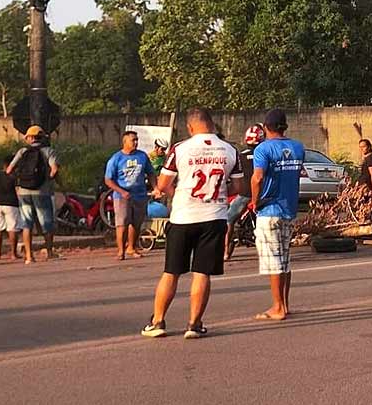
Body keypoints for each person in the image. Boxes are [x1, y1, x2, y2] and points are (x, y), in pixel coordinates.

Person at [141, 108, 243, 339]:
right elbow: (238, 188)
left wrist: (177, 193)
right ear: (212, 124)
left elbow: (164, 183)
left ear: (190, 127)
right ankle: (194, 324)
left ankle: (157, 322)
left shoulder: (180, 149)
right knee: (202, 272)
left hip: (183, 217)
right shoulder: (229, 150)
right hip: (214, 216)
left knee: (171, 272)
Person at [250, 109, 304, 321]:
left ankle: (277, 307)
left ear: (265, 127)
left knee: (274, 261)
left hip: (269, 209)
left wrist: (255, 201)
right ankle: (285, 304)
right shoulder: (298, 147)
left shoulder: (263, 149)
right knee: (285, 260)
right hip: (289, 208)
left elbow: (257, 178)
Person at [7, 126, 59, 260]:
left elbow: (9, 170)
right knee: (46, 223)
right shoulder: (48, 151)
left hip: (23, 193)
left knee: (26, 224)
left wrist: (19, 182)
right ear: (42, 138)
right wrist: (49, 178)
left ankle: (29, 256)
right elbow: (54, 169)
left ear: (29, 138)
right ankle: (49, 252)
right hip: (42, 192)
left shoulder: (22, 152)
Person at [104, 131, 156, 260]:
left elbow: (150, 173)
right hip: (122, 196)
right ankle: (120, 251)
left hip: (140, 195)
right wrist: (122, 191)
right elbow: (108, 180)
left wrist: (155, 188)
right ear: (125, 142)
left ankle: (131, 247)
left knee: (136, 223)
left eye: (137, 140)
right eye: (133, 140)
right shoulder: (116, 158)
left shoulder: (142, 156)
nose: (136, 142)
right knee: (122, 223)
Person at [225, 124, 264, 261]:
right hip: (264, 193)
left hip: (245, 194)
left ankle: (225, 251)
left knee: (229, 219)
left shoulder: (241, 156)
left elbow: (233, 175)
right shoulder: (266, 155)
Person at [0, 160, 28, 261]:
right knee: (12, 229)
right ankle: (13, 254)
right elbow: (17, 191)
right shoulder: (14, 177)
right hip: (11, 205)